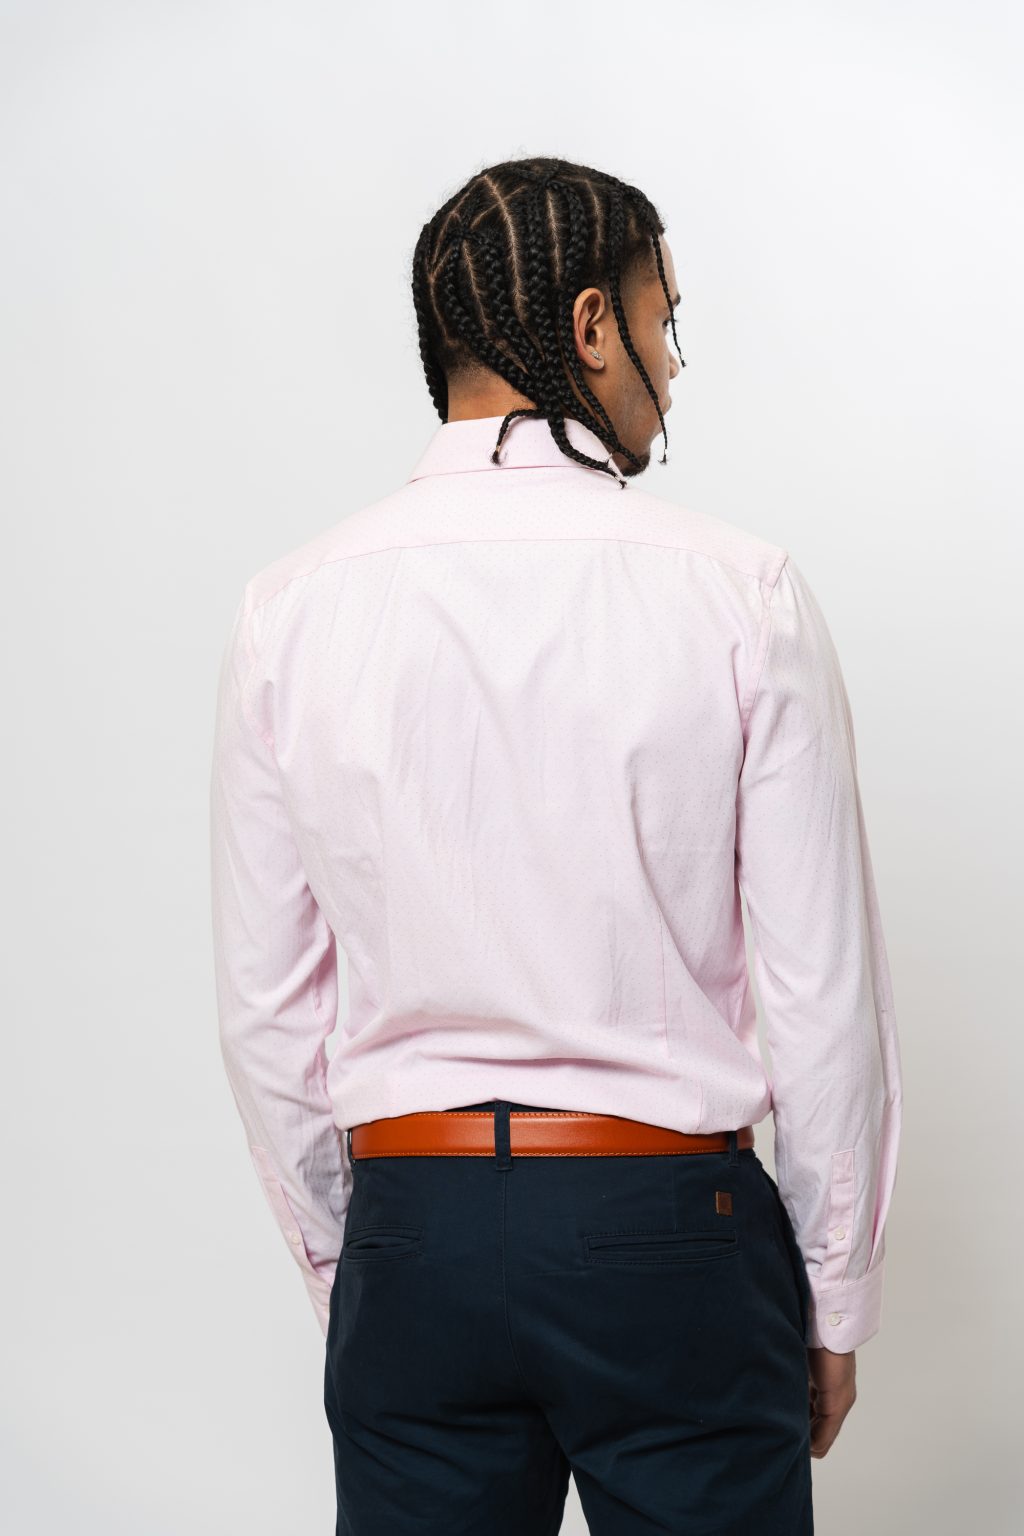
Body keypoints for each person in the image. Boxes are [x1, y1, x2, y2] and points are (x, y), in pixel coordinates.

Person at [209, 155, 903, 1534]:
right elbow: (821, 994)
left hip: (413, 1229)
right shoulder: (740, 594)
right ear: (590, 326)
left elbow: (266, 1013)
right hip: (671, 1233)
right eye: (662, 320)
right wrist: (835, 1296)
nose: (673, 366)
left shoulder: (289, 614)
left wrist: (361, 1269)